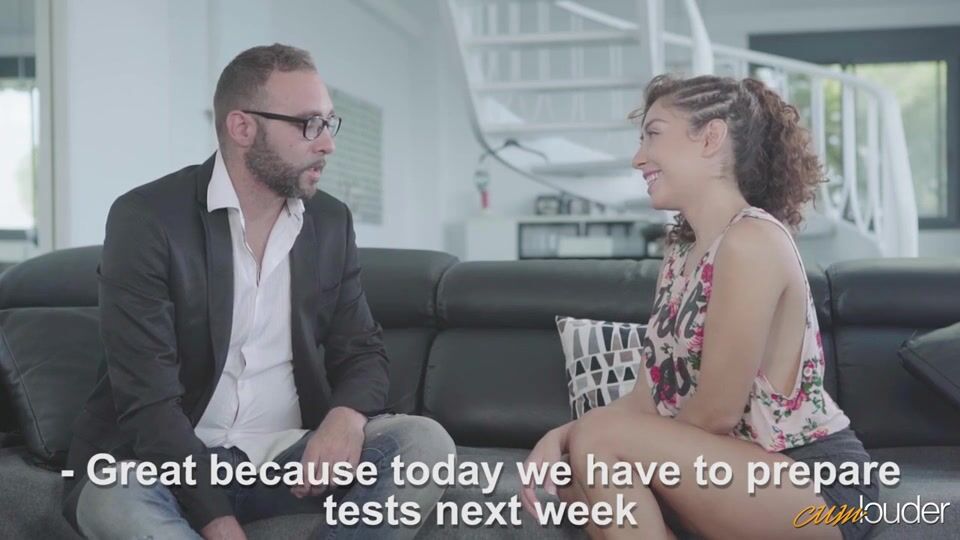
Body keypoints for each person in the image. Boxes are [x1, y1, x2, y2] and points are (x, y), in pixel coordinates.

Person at [62, 43, 455, 540]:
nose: (327, 144)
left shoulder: (330, 222)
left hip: (284, 460)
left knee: (424, 444)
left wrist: (347, 417)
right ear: (242, 127)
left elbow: (362, 350)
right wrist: (215, 517)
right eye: (308, 124)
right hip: (161, 466)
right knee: (112, 497)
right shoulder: (147, 219)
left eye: (328, 124)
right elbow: (148, 401)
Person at [521, 74, 879, 540]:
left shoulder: (752, 240)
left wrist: (607, 441)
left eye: (653, 134)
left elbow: (715, 414)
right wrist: (564, 435)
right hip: (732, 474)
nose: (638, 158)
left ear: (711, 138)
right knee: (576, 474)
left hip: (816, 484)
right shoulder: (680, 255)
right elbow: (645, 400)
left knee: (601, 445)